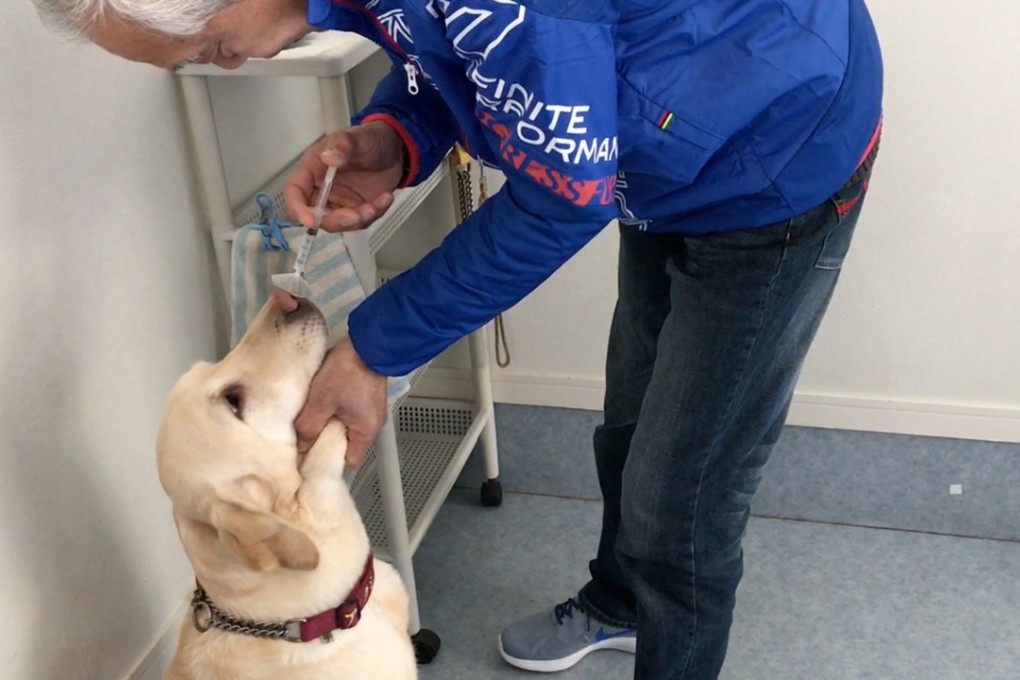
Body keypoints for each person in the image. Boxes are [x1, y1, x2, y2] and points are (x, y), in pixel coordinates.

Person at [37, 0, 883, 677]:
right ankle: (622, 601)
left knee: (682, 493)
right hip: (661, 145)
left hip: (775, 158)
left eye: (213, 47)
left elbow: (562, 195)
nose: (229, 61)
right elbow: (446, 52)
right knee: (629, 419)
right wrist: (391, 138)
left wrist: (374, 348)